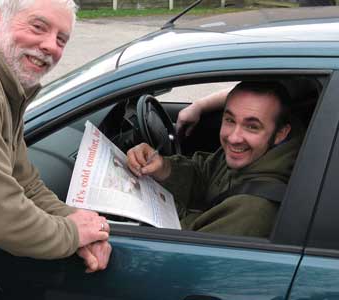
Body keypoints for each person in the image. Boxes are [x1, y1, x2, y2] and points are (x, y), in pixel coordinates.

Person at [0, 1, 112, 298]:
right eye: (38, 27)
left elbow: (24, 182)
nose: (50, 46)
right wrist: (72, 234)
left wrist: (79, 221)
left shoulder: (2, 85)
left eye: (61, 39)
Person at [127, 81, 303, 237]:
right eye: (230, 120)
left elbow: (182, 253)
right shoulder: (254, 154)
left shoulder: (253, 210)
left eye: (252, 126)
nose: (234, 138)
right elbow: (206, 174)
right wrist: (164, 168)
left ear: (280, 134)